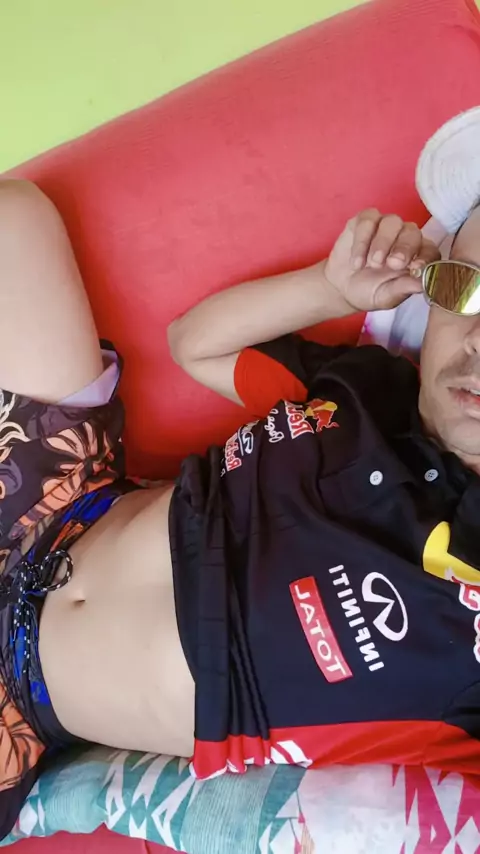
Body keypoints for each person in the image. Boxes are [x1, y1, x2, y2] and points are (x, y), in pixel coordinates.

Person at [2, 178, 480, 838]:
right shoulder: (367, 387)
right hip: (58, 498)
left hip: (20, 705)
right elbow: (194, 343)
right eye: (465, 286)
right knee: (14, 217)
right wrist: (331, 288)